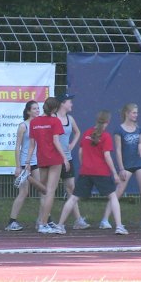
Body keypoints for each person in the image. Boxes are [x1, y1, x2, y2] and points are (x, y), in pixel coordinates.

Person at [52, 110, 127, 235]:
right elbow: (107, 156)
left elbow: (80, 152)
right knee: (113, 197)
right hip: (101, 172)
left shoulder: (87, 133)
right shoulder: (106, 136)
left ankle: (60, 225)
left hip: (86, 171)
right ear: (107, 122)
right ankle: (119, 226)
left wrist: (85, 165)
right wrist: (114, 173)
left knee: (73, 198)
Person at [99, 103, 141, 230]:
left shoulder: (138, 128)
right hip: (127, 166)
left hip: (139, 163)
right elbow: (118, 150)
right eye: (134, 112)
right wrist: (121, 168)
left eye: (137, 113)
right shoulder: (119, 130)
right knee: (117, 193)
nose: (136, 115)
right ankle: (105, 220)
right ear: (127, 113)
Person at [25, 96, 69, 234]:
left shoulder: (34, 122)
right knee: (50, 192)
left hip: (42, 159)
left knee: (44, 191)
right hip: (54, 159)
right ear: (55, 109)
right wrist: (65, 158)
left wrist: (27, 162)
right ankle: (43, 224)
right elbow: (56, 141)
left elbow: (31, 145)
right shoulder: (55, 121)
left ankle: (41, 221)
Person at [5, 101, 47, 231]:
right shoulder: (23, 126)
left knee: (44, 191)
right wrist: (18, 166)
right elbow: (17, 146)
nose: (37, 111)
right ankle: (12, 222)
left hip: (36, 162)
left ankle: (42, 220)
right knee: (24, 192)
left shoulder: (39, 124)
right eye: (34, 109)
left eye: (38, 108)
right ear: (28, 111)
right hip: (25, 163)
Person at [55, 93, 89, 230]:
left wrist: (72, 145)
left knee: (71, 189)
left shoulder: (70, 119)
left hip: (67, 159)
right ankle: (43, 220)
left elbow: (78, 132)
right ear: (62, 103)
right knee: (49, 190)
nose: (72, 104)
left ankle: (78, 220)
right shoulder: (53, 118)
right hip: (55, 160)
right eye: (69, 101)